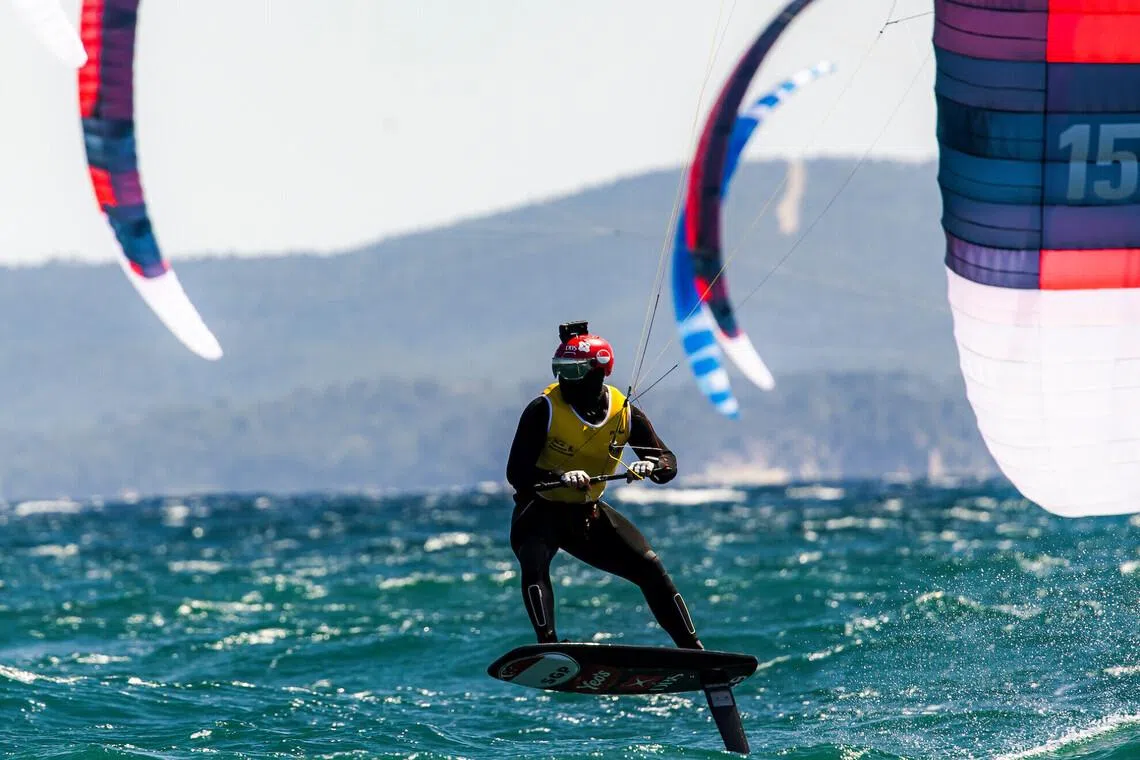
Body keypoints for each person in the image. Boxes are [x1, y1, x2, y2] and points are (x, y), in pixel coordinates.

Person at [505, 320, 704, 650]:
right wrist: (559, 478)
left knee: (650, 567)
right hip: (539, 512)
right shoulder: (543, 410)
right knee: (534, 559)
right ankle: (548, 645)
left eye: (572, 372)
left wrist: (652, 465)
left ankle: (692, 648)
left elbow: (668, 461)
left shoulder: (624, 412)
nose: (563, 380)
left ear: (598, 372)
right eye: (560, 371)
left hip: (588, 515)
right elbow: (517, 473)